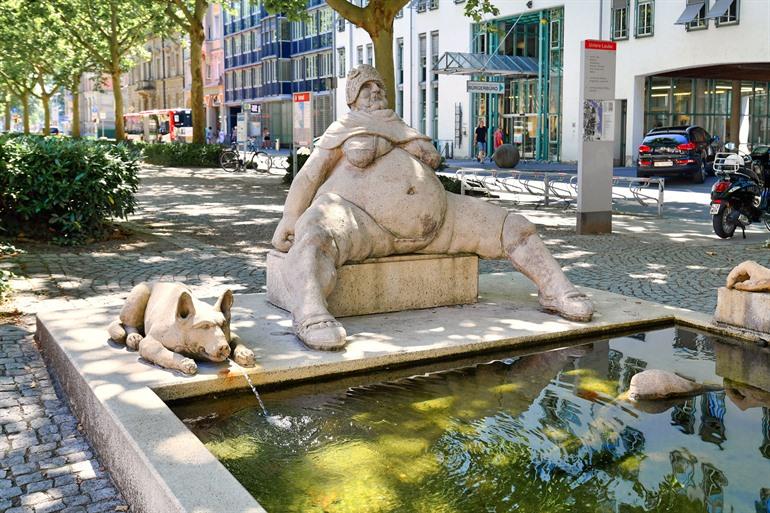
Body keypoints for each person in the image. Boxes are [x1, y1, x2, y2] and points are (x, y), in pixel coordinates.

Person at [271, 64, 592, 350]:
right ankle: (310, 313)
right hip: (358, 219)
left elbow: (433, 159)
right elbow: (309, 175)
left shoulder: (398, 125)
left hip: (440, 221)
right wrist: (290, 216)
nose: (374, 93)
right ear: (352, 98)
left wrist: (401, 139)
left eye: (378, 87)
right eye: (365, 89)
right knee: (314, 236)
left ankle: (556, 289)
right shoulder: (343, 129)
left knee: (514, 226)